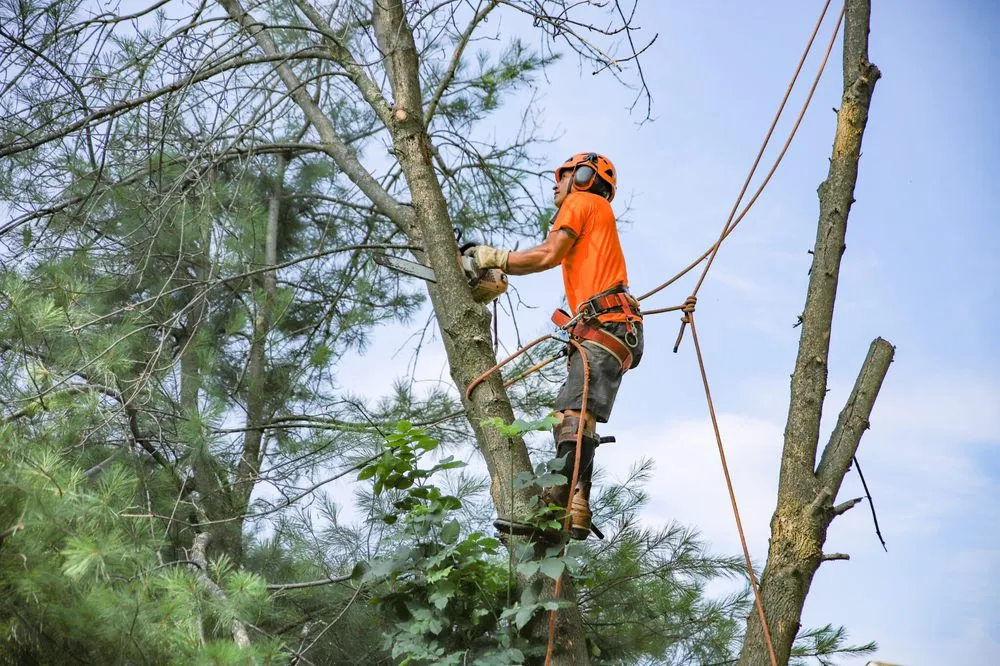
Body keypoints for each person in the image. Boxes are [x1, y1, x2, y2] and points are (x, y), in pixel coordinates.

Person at [464, 152, 644, 540]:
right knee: (573, 417)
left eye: (562, 176)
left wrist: (497, 257)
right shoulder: (594, 217)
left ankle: (553, 507)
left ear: (582, 176)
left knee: (573, 417)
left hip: (608, 325)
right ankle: (576, 506)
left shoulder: (583, 202)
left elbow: (548, 254)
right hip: (608, 328)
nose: (555, 184)